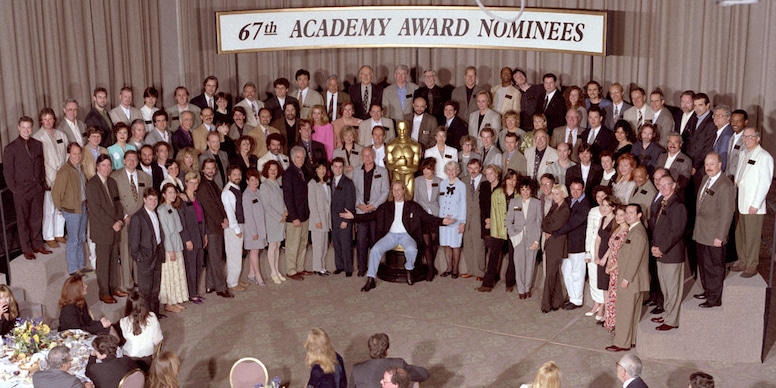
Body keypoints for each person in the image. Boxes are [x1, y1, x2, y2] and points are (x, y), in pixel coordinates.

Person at [341, 182, 454, 291]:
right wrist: (353, 217)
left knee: (412, 250)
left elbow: (427, 217)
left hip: (407, 236)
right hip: (390, 236)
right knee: (375, 250)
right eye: (394, 190)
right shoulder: (386, 206)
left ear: (404, 190)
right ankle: (371, 279)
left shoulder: (413, 206)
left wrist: (442, 221)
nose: (396, 192)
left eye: (399, 189)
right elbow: (371, 216)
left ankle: (409, 268)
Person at [693, 153, 735, 307]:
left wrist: (720, 236)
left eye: (712, 164)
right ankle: (708, 290)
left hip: (714, 235)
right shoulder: (706, 179)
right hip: (701, 232)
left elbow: (727, 213)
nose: (708, 167)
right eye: (706, 164)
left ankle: (714, 298)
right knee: (703, 265)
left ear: (720, 165)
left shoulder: (725, 185)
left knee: (714, 268)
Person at [732, 127, 774, 278]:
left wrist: (755, 204)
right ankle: (742, 260)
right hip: (741, 201)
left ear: (758, 138)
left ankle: (751, 265)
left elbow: (764, 183)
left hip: (752, 205)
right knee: (741, 235)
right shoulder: (743, 153)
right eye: (744, 137)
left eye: (750, 137)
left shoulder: (764, 157)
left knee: (752, 237)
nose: (746, 139)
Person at [607, 205, 649, 352]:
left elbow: (635, 259)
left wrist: (626, 278)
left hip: (630, 279)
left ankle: (621, 343)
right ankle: (630, 340)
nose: (628, 216)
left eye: (632, 213)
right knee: (632, 312)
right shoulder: (635, 229)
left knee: (624, 312)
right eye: (627, 213)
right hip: (635, 279)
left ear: (639, 215)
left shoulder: (637, 233)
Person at [649, 174, 687, 331]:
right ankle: (667, 313)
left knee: (673, 289)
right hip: (660, 252)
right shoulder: (662, 203)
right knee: (664, 288)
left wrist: (661, 249)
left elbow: (676, 232)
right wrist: (653, 246)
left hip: (671, 254)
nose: (663, 188)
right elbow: (656, 227)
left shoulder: (678, 206)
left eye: (667, 185)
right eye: (661, 185)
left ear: (674, 185)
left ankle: (672, 320)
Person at [86, 154, 126, 303]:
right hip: (103, 230)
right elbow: (96, 210)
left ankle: (114, 287)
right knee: (103, 263)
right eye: (103, 165)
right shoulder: (92, 184)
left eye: (109, 165)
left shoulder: (112, 182)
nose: (106, 168)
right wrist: (112, 223)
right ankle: (104, 292)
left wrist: (120, 220)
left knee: (114, 260)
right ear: (97, 166)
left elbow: (118, 204)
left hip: (115, 229)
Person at [111, 150, 151, 293]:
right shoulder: (115, 177)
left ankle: (138, 280)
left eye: (134, 159)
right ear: (123, 161)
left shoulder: (145, 177)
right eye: (129, 159)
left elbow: (149, 198)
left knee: (139, 250)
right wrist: (124, 216)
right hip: (125, 220)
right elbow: (115, 200)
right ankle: (127, 284)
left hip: (140, 221)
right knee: (126, 251)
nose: (131, 162)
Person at [477, 169, 519, 292]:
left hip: (513, 230)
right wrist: (494, 231)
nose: (512, 182)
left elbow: (519, 215)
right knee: (493, 256)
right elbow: (493, 213)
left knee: (513, 257)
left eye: (514, 180)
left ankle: (510, 282)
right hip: (499, 228)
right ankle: (487, 283)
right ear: (505, 180)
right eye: (509, 179)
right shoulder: (497, 193)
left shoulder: (518, 195)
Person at [52, 143, 90, 276]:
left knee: (80, 238)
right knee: (73, 240)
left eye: (79, 153)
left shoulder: (79, 167)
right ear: (69, 154)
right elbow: (56, 192)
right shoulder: (64, 171)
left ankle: (80, 265)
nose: (77, 156)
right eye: (74, 154)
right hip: (72, 210)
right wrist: (60, 208)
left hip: (82, 206)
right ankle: (73, 269)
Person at [197, 159, 232, 298]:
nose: (210, 170)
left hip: (216, 225)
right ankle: (221, 288)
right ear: (203, 170)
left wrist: (224, 217)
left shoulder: (212, 183)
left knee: (213, 258)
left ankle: (210, 285)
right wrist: (221, 220)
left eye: (212, 168)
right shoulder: (203, 186)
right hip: (212, 227)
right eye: (208, 168)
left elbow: (219, 204)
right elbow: (210, 207)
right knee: (217, 258)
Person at [553, 178, 591, 309]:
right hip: (567, 243)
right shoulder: (569, 201)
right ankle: (571, 296)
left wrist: (555, 232)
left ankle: (577, 300)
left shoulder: (586, 204)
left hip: (578, 244)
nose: (575, 192)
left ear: (583, 189)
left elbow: (572, 223)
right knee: (566, 270)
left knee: (577, 273)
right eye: (573, 189)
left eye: (578, 189)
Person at [353, 147, 390, 277]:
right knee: (361, 240)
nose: (367, 158)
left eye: (369, 155)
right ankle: (362, 268)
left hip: (376, 212)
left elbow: (385, 191)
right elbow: (354, 191)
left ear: (374, 156)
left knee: (376, 240)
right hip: (361, 211)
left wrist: (374, 205)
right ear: (362, 157)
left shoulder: (382, 171)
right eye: (365, 156)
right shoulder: (356, 171)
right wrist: (360, 204)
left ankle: (376, 267)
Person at [34, 108, 68, 249]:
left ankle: (59, 232)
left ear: (54, 119)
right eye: (45, 119)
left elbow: (66, 153)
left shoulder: (61, 134)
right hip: (48, 177)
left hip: (62, 174)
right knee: (50, 208)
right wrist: (46, 178)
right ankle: (48, 235)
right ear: (41, 121)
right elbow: (39, 161)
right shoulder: (37, 137)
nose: (48, 121)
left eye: (50, 118)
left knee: (61, 206)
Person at [128, 188, 164, 316]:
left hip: (157, 255)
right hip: (145, 258)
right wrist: (140, 257)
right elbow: (133, 243)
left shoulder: (156, 213)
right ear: (144, 200)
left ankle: (155, 313)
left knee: (155, 287)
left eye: (155, 199)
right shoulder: (138, 217)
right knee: (145, 290)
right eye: (150, 199)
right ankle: (145, 316)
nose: (153, 202)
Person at [350, 333, 430, 388]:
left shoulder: (356, 369)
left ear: (369, 350)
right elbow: (423, 375)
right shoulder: (398, 364)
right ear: (387, 350)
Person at [507, 177, 542, 299]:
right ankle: (521, 289)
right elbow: (509, 220)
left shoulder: (537, 203)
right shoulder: (514, 203)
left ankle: (527, 288)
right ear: (519, 190)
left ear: (531, 190)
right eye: (522, 189)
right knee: (519, 264)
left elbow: (539, 223)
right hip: (518, 238)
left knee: (530, 265)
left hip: (532, 238)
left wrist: (537, 240)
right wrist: (513, 236)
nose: (525, 192)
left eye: (527, 189)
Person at [158, 183, 190, 313]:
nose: (172, 195)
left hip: (177, 243)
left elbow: (179, 228)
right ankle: (169, 303)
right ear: (164, 194)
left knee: (177, 273)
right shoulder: (161, 210)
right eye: (169, 192)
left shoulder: (173, 207)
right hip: (169, 246)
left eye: (174, 192)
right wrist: (170, 249)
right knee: (170, 275)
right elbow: (165, 232)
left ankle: (175, 300)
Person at [587, 190, 618, 320]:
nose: (604, 208)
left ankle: (608, 312)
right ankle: (604, 311)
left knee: (609, 285)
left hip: (609, 255)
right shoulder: (602, 219)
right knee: (603, 285)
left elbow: (613, 243)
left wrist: (605, 258)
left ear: (613, 207)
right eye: (603, 205)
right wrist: (596, 256)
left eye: (607, 206)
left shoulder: (616, 221)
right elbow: (598, 239)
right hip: (600, 254)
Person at [540, 184, 571, 313]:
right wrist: (548, 229)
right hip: (551, 243)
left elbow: (555, 226)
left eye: (557, 193)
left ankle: (546, 304)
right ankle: (557, 300)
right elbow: (544, 222)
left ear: (563, 194)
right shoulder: (554, 207)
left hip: (557, 244)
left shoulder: (565, 209)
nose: (554, 196)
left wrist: (548, 229)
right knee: (554, 273)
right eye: (553, 194)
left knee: (550, 274)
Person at [284, 146, 312, 280]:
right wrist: (294, 217)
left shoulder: (303, 172)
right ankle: (291, 270)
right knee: (292, 245)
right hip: (295, 217)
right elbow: (288, 198)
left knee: (302, 243)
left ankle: (300, 268)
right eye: (298, 157)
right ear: (292, 158)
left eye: (302, 157)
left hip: (304, 214)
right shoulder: (288, 173)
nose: (301, 160)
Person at [178, 172, 207, 303]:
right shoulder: (182, 200)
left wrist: (205, 234)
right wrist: (186, 239)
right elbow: (181, 222)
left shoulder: (197, 197)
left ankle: (195, 291)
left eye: (196, 182)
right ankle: (191, 293)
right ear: (185, 183)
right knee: (190, 266)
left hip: (200, 233)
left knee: (198, 263)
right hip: (190, 234)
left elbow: (202, 217)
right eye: (191, 182)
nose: (193, 185)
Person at [120, 291, 163, 372]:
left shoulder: (123, 321)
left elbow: (126, 337)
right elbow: (157, 340)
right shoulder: (152, 317)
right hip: (147, 359)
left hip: (129, 359)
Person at [259, 161, 287, 283]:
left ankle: (277, 270)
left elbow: (283, 199)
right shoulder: (264, 186)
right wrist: (278, 217)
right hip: (272, 220)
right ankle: (273, 272)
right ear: (266, 171)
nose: (273, 171)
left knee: (278, 246)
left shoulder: (278, 183)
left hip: (282, 218)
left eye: (275, 169)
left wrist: (285, 211)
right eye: (271, 169)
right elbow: (267, 206)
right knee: (272, 246)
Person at [222, 165, 249, 292]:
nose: (238, 177)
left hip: (239, 224)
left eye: (239, 174)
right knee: (234, 255)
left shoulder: (236, 188)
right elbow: (230, 213)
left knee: (237, 254)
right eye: (234, 175)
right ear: (229, 176)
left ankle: (235, 279)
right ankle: (232, 282)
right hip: (234, 228)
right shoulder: (228, 192)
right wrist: (237, 229)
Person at [414, 158, 442, 280]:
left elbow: (441, 200)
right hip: (422, 214)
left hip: (435, 214)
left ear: (433, 169)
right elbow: (415, 199)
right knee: (426, 242)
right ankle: (430, 270)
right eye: (424, 168)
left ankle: (431, 265)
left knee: (434, 241)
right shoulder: (417, 181)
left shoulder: (440, 181)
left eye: (428, 169)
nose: (426, 171)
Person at [438, 161, 467, 278]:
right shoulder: (442, 184)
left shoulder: (461, 185)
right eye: (449, 170)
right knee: (446, 244)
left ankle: (455, 269)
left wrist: (462, 222)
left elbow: (463, 204)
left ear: (457, 171)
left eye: (453, 170)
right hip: (444, 220)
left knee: (455, 245)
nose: (451, 172)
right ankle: (448, 267)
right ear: (446, 171)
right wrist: (442, 218)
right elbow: (440, 201)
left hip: (456, 220)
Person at [330, 157, 356, 276]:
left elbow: (350, 202)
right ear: (332, 167)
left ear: (344, 168)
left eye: (340, 167)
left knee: (346, 244)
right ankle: (339, 266)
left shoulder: (348, 182)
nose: (338, 169)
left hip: (344, 218)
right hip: (333, 218)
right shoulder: (330, 181)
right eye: (335, 166)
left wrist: (346, 220)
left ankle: (348, 268)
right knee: (336, 243)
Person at [242, 168, 267, 285]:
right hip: (252, 229)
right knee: (254, 252)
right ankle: (258, 276)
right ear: (247, 181)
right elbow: (248, 216)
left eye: (256, 179)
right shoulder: (246, 195)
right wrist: (253, 232)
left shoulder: (258, 192)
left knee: (256, 250)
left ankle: (251, 273)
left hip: (260, 227)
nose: (255, 182)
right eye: (252, 180)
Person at [462, 158, 485, 280]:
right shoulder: (464, 181)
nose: (473, 171)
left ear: (480, 168)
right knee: (468, 244)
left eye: (475, 168)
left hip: (478, 218)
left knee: (479, 245)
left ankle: (480, 272)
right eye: (470, 168)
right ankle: (470, 270)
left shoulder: (485, 181)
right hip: (466, 218)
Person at [309, 160, 333, 276]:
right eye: (319, 168)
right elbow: (312, 204)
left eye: (324, 168)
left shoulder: (327, 183)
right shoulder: (312, 184)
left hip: (326, 219)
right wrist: (317, 220)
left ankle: (322, 267)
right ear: (315, 170)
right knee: (318, 246)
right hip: (317, 221)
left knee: (324, 246)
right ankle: (317, 268)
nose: (322, 170)